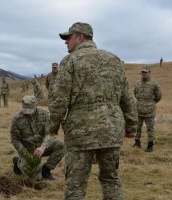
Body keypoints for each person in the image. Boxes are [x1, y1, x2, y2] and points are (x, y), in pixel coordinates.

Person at [49, 22, 137, 199]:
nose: (66, 42)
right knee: (111, 179)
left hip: (81, 131)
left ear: (80, 37)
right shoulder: (114, 60)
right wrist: (131, 126)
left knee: (76, 184)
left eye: (69, 38)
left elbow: (60, 100)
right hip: (112, 130)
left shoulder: (70, 61)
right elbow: (127, 97)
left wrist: (52, 127)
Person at [10, 95, 64, 180]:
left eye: (30, 110)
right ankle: (18, 161)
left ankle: (46, 170)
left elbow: (49, 133)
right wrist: (26, 155)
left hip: (42, 147)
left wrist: (43, 147)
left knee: (61, 145)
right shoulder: (17, 119)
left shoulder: (45, 114)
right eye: (26, 111)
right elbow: (14, 139)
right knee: (35, 178)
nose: (28, 113)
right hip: (28, 150)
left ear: (36, 106)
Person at [133, 66, 162, 152]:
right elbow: (135, 94)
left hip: (149, 111)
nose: (144, 74)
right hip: (138, 110)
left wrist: (151, 103)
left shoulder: (154, 84)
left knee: (150, 129)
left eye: (145, 72)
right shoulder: (137, 83)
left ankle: (150, 145)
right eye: (142, 72)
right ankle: (137, 142)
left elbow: (158, 96)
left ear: (149, 73)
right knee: (137, 128)